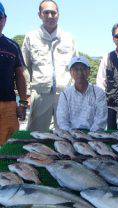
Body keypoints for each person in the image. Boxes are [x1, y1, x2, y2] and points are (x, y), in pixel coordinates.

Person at [22, 0, 76, 131]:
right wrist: (27, 95)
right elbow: (24, 68)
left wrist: (74, 93)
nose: (50, 16)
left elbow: (75, 67)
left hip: (64, 95)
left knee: (65, 134)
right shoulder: (31, 37)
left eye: (53, 12)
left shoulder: (69, 38)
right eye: (46, 12)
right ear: (39, 15)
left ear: (58, 14)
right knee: (36, 135)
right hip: (40, 95)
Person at [0, 2, 27, 146]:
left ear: (4, 19)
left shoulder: (13, 46)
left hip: (9, 105)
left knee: (9, 146)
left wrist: (22, 102)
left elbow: (20, 76)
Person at [56, 56, 107, 131]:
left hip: (93, 136)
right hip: (71, 136)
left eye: (83, 69)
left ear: (89, 71)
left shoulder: (99, 93)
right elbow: (62, 121)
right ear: (71, 72)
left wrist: (89, 137)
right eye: (76, 69)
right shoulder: (65, 95)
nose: (79, 72)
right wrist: (72, 136)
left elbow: (100, 121)